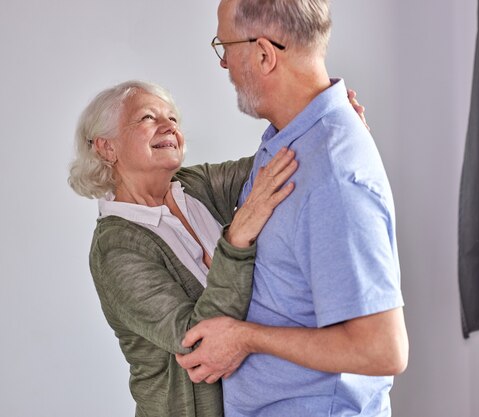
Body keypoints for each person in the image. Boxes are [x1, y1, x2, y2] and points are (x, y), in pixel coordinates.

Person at [176, 1, 409, 416]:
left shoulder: (333, 175)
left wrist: (246, 337)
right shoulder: (291, 138)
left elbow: (382, 349)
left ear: (264, 54)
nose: (224, 62)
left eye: (224, 46)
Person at [67, 80, 298, 417]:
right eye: (147, 117)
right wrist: (237, 238)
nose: (168, 126)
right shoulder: (115, 249)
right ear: (106, 148)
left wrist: (327, 124)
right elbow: (199, 341)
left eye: (173, 118)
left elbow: (276, 165)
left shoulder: (193, 186)